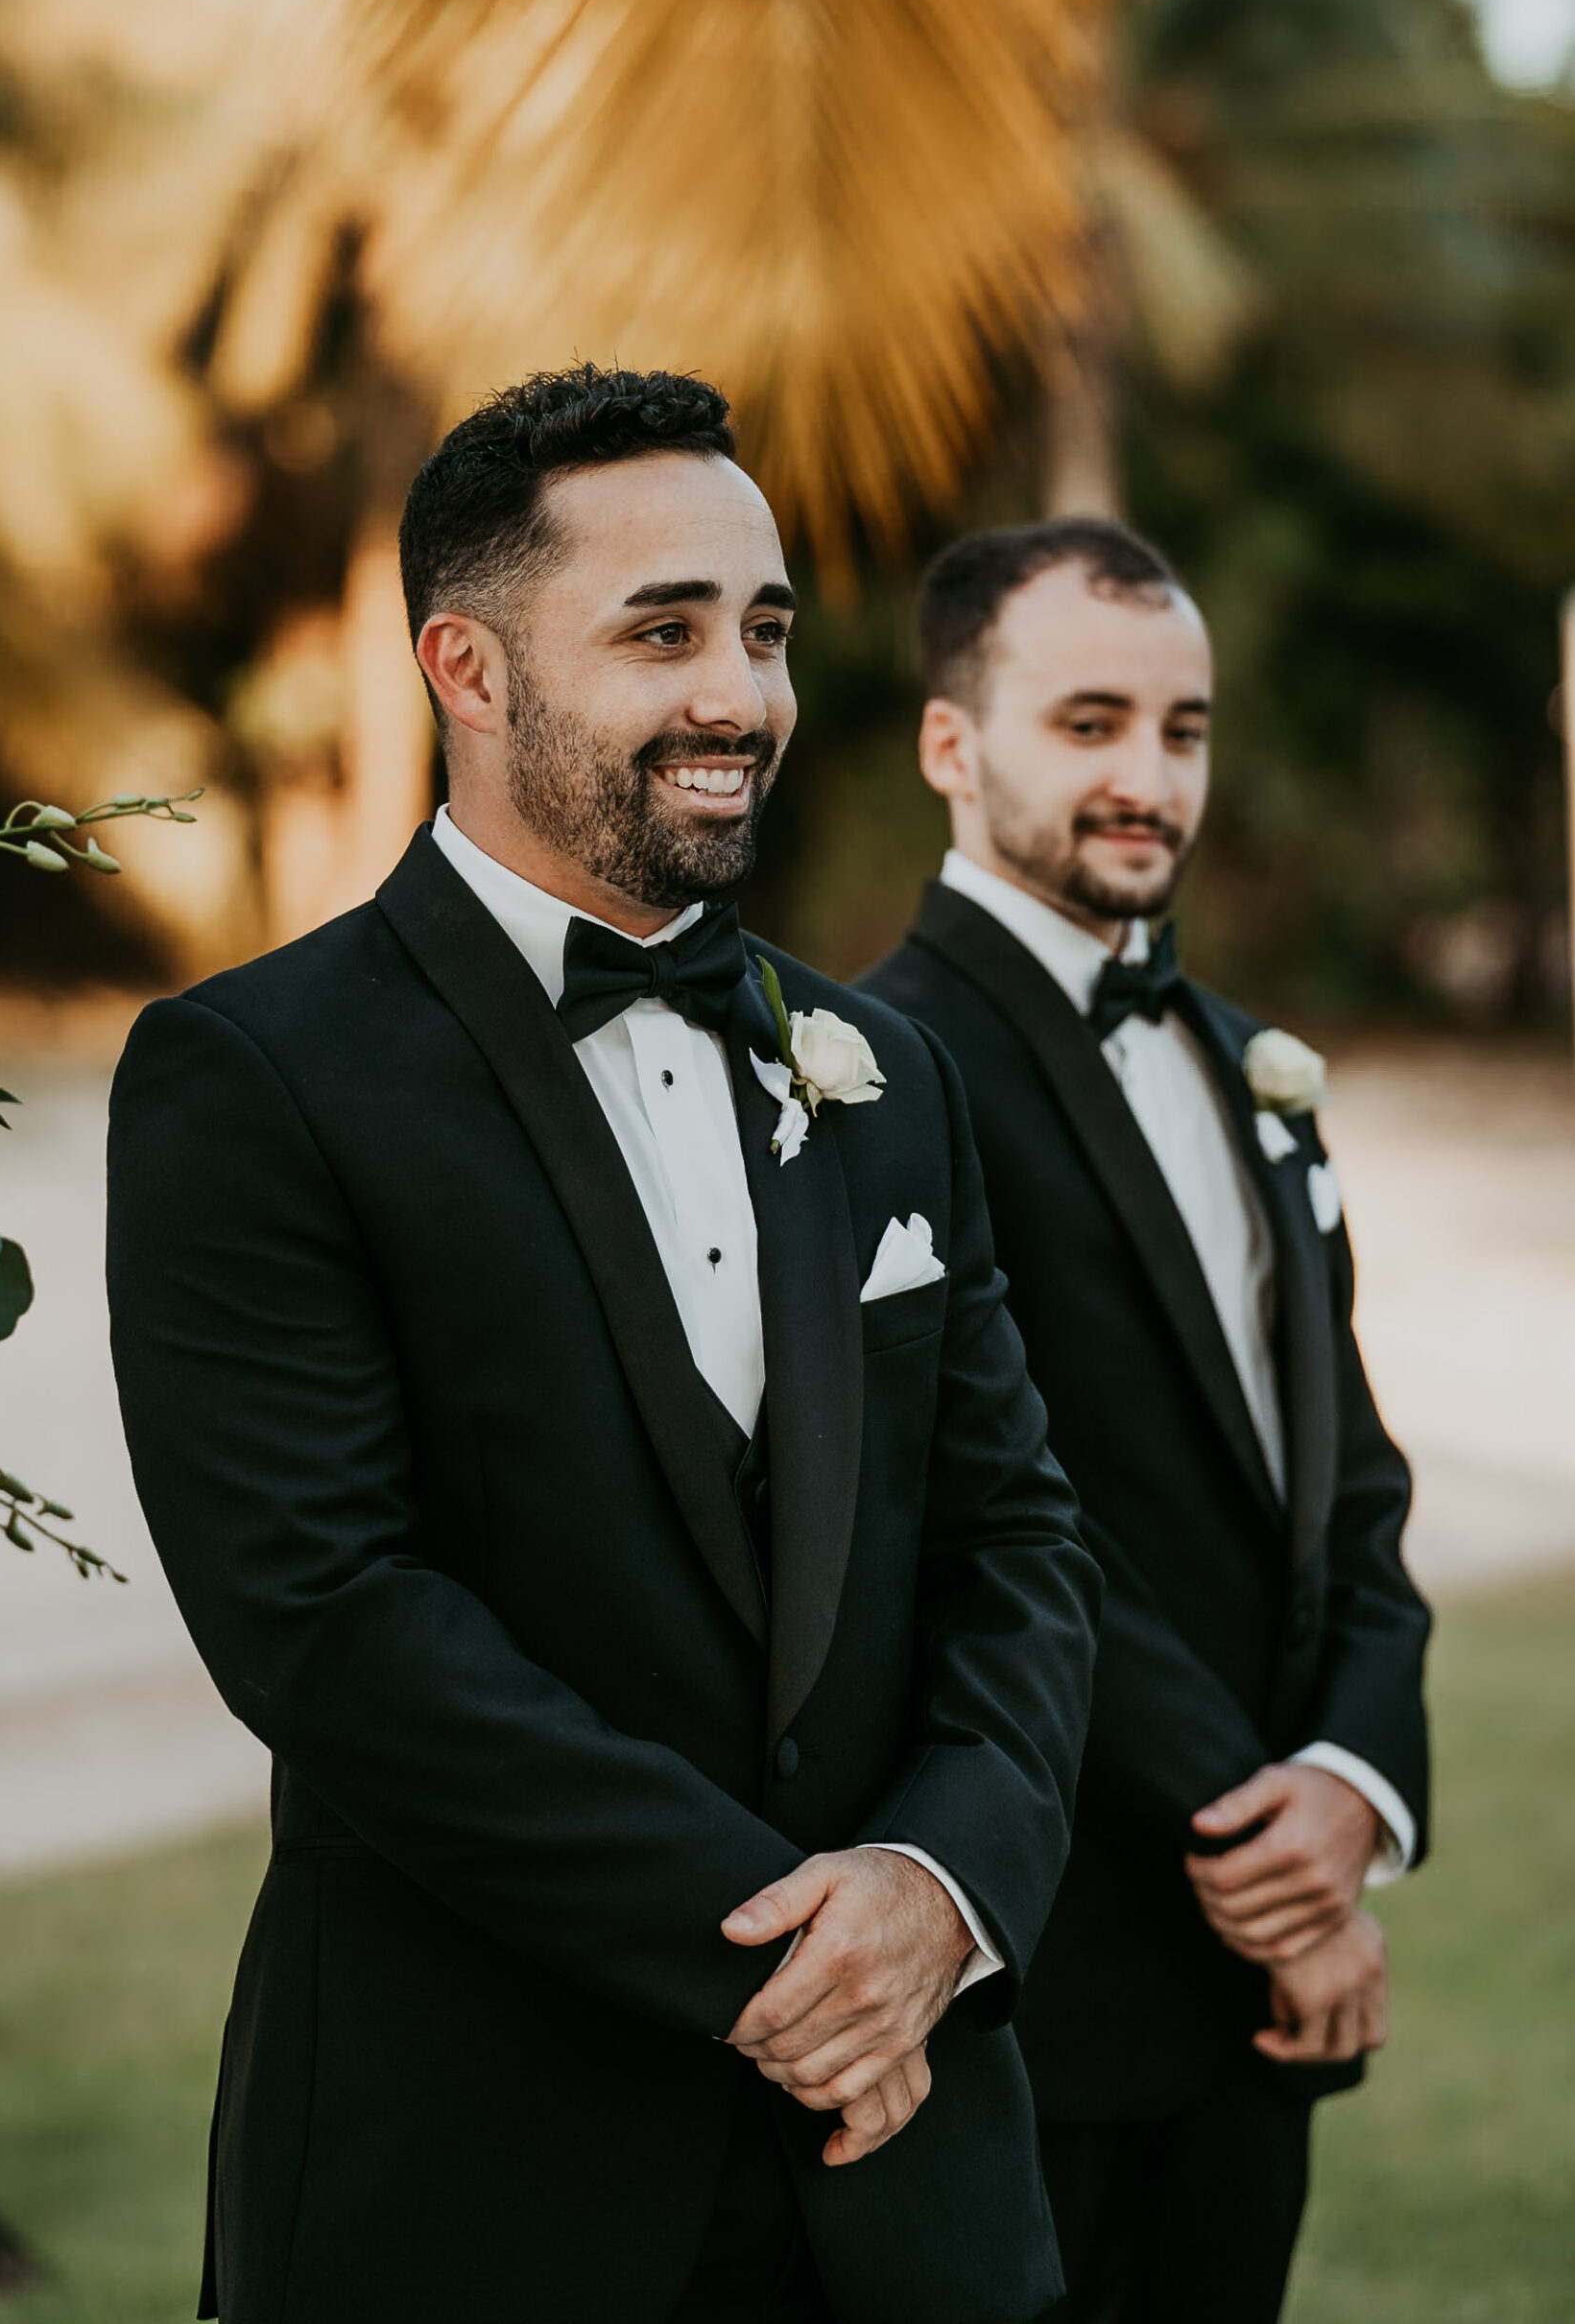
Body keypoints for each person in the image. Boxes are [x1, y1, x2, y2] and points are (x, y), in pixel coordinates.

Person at [106, 369, 1102, 2324]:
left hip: (908, 2180)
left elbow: (1017, 1536)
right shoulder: (252, 1078)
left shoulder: (887, 1071)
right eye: (659, 630)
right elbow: (326, 1617)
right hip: (472, 2174)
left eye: (760, 627)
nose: (737, 694)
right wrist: (788, 1966)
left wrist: (939, 1889)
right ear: (464, 668)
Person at [861, 518, 1431, 2324]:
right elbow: (993, 1521)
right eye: (1090, 721)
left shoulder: (1257, 1070)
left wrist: (1357, 1784)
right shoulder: (877, 1072)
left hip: (1257, 1989)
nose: (1147, 776)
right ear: (954, 746)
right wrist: (1270, 1857)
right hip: (1055, 1960)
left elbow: (1345, 1478)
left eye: (1182, 731)